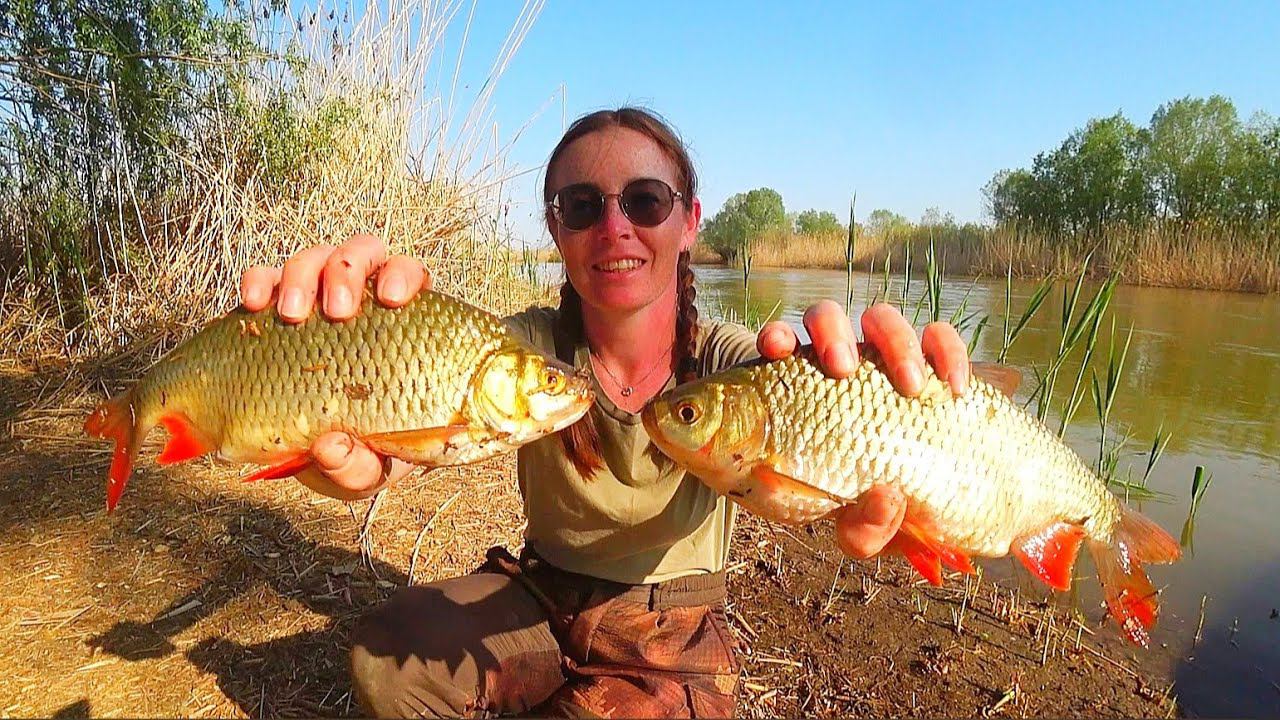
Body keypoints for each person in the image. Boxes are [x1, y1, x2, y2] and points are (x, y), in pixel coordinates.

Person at [239, 107, 971, 718]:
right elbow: (394, 422)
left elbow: (825, 436)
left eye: (646, 201)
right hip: (540, 592)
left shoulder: (734, 366)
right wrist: (331, 371)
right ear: (556, 231)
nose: (614, 226)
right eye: (584, 207)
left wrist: (894, 404)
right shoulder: (516, 349)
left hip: (668, 624)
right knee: (385, 662)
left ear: (688, 223)